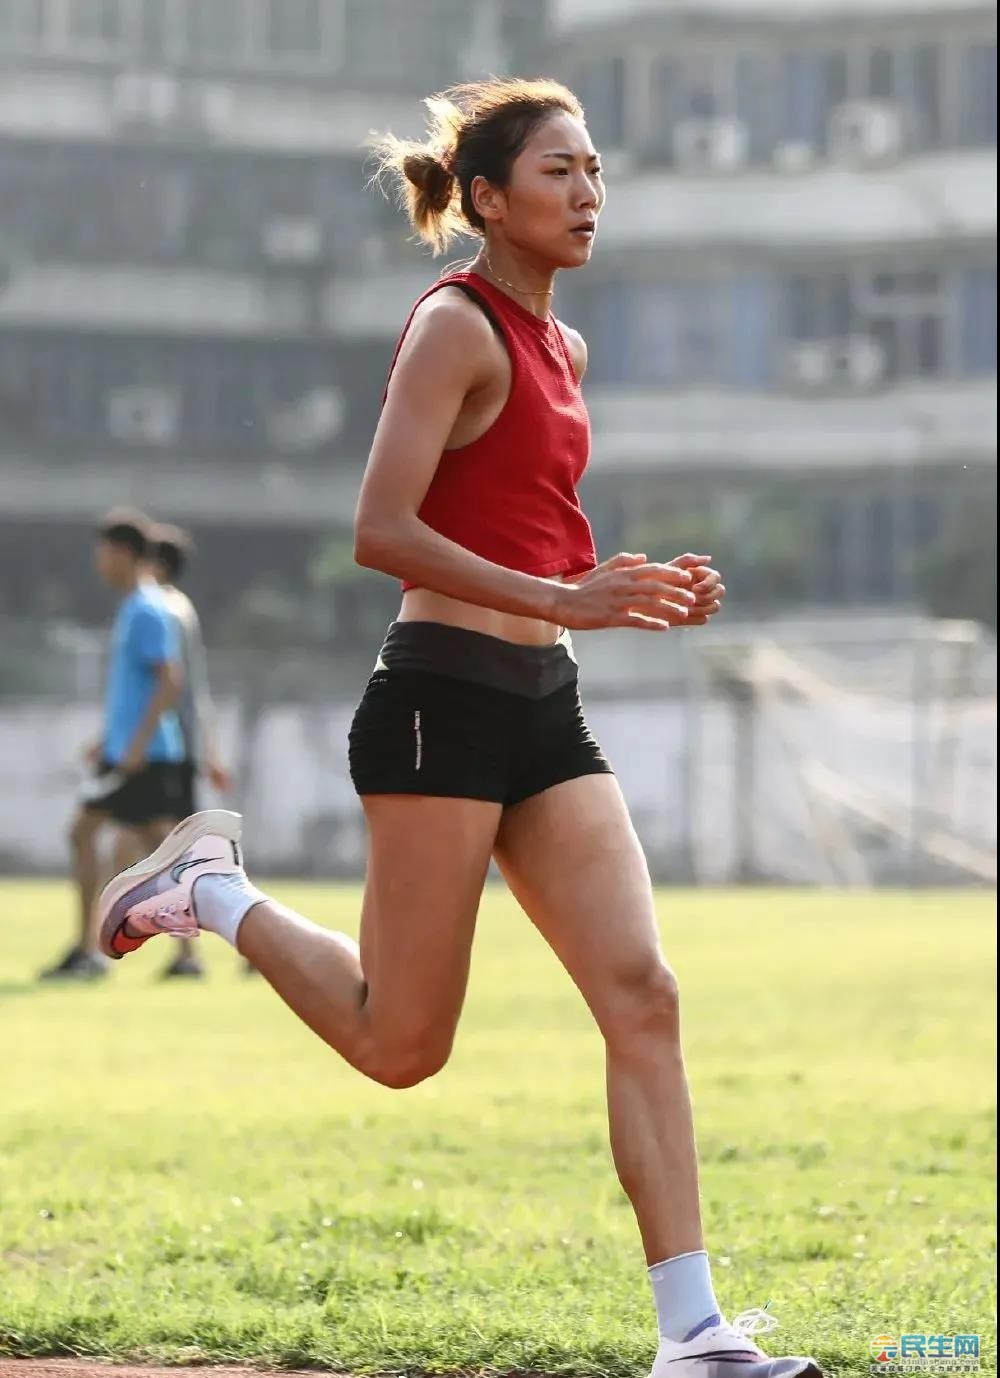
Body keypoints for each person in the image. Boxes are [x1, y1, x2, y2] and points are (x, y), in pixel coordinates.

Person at [93, 79, 822, 1377]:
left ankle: (694, 1332)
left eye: (596, 170)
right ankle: (212, 891)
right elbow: (381, 528)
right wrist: (559, 592)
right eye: (559, 171)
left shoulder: (567, 351)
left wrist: (625, 588)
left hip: (544, 708)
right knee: (401, 1044)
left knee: (643, 991)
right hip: (437, 703)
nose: (588, 192)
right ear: (487, 198)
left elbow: (527, 525)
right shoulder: (456, 326)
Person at [40, 510, 184, 981]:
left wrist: (135, 746)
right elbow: (144, 688)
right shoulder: (136, 607)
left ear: (123, 553)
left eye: (102, 553)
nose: (98, 563)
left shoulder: (146, 608)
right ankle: (187, 953)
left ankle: (87, 952)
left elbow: (169, 681)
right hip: (129, 753)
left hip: (140, 758)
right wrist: (109, 739)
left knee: (85, 836)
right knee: (162, 854)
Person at [150, 523, 233, 979]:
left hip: (170, 751)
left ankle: (238, 938)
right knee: (154, 850)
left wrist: (207, 752)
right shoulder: (172, 609)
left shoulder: (166, 610)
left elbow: (187, 689)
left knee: (177, 854)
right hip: (172, 749)